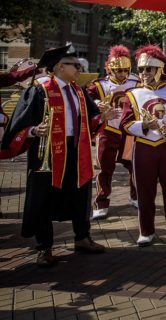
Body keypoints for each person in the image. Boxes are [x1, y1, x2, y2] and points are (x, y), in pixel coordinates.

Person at [0, 46, 112, 266]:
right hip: (47, 151)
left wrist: (103, 117)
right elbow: (20, 122)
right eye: (76, 65)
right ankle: (44, 247)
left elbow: (88, 121)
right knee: (44, 198)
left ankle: (82, 238)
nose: (80, 69)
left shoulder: (78, 91)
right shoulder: (39, 90)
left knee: (80, 193)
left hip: (75, 150)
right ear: (60, 67)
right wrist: (33, 131)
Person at [120, 45, 166, 247]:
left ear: (160, 70)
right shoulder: (133, 94)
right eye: (141, 69)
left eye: (149, 69)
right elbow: (125, 123)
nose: (144, 73)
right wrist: (144, 126)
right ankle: (146, 230)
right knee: (144, 191)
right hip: (143, 147)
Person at [87, 45, 139, 219]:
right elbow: (87, 100)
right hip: (107, 130)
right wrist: (96, 104)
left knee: (134, 167)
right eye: (118, 70)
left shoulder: (136, 83)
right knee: (104, 168)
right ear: (109, 68)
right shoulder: (99, 85)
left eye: (125, 70)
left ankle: (135, 196)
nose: (122, 74)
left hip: (128, 131)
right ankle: (101, 202)